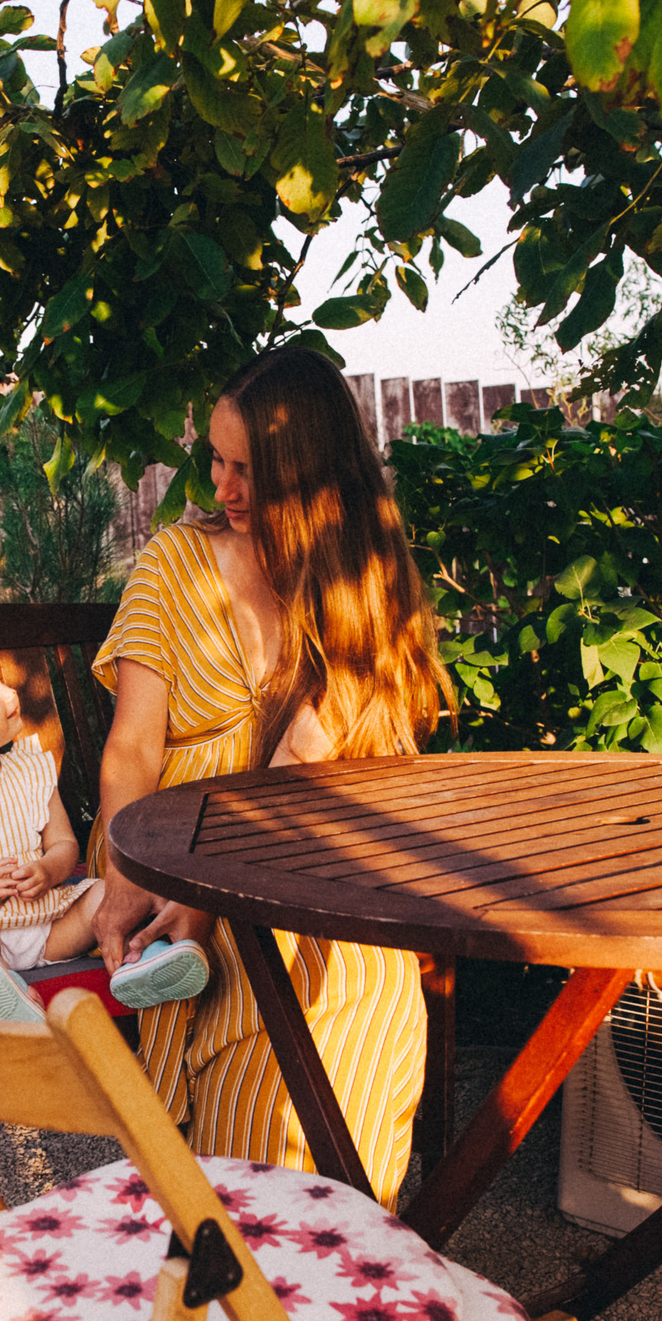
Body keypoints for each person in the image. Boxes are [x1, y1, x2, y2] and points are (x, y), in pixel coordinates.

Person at [88, 346, 451, 1203]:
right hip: (185, 871)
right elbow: (132, 748)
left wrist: (205, 899)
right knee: (247, 1115)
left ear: (313, 479)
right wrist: (118, 878)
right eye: (215, 460)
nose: (223, 488)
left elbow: (314, 765)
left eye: (249, 470)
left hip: (310, 880)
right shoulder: (173, 565)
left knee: (354, 999)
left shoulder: (359, 585)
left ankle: (328, 1273)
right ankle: (266, 1282)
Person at [0, 638, 211, 1023]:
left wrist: (48, 871)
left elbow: (63, 844)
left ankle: (141, 963)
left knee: (106, 894)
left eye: (1, 682)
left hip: (45, 923)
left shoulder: (31, 772)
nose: (9, 693)